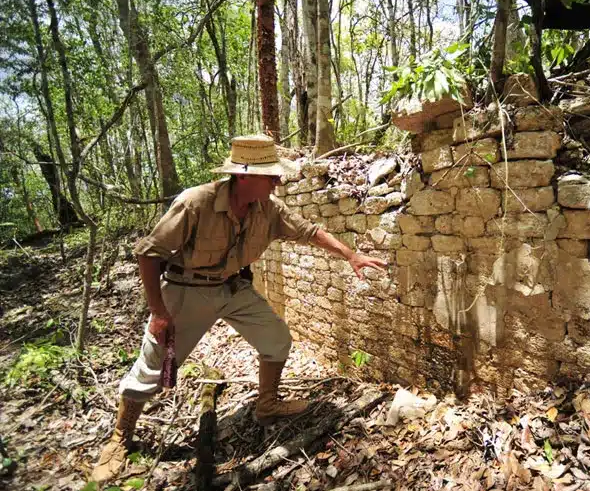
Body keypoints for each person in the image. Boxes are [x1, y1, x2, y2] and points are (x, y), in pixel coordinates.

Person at [92, 134, 387, 482]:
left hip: (233, 288)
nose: (278, 181)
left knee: (277, 339)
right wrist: (158, 311)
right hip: (186, 290)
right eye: (270, 175)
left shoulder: (269, 208)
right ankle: (120, 438)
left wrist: (351, 255)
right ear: (244, 175)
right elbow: (148, 253)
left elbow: (309, 231)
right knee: (155, 366)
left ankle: (267, 404)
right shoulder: (196, 202)